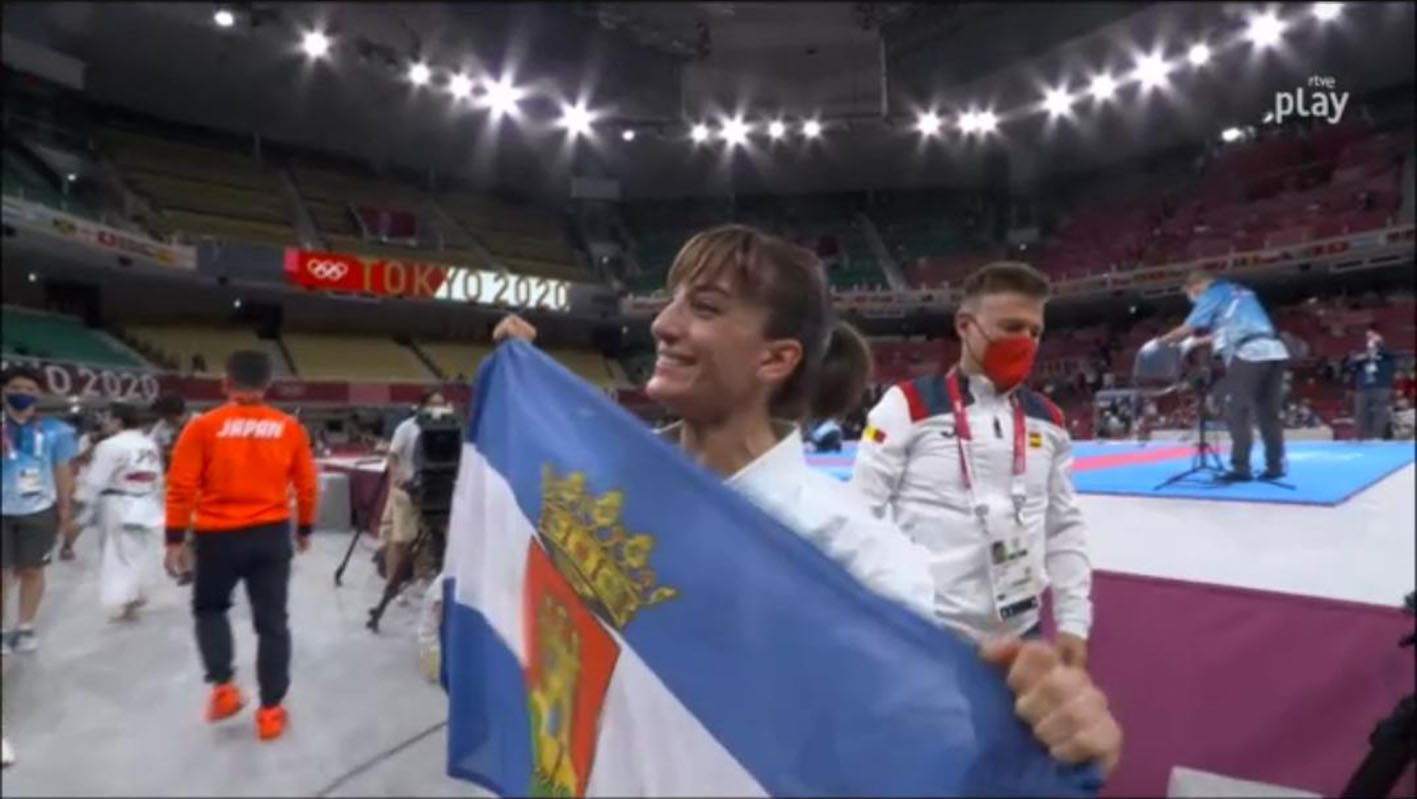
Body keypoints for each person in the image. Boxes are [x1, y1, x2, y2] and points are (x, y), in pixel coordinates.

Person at [494, 226, 1121, 777]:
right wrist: (517, 400)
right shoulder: (596, 491)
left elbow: (916, 745)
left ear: (776, 358)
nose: (662, 324)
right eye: (671, 301)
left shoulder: (848, 552)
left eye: (704, 307)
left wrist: (1042, 746)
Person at [850, 262, 1093, 668]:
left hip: (1022, 632)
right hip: (928, 630)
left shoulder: (1048, 419)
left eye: (1035, 332)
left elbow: (1063, 525)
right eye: (1011, 328)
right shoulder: (908, 405)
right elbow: (860, 514)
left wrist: (1073, 622)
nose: (1026, 342)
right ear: (965, 325)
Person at [163, 350, 317, 741]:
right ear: (268, 385)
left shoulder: (203, 427)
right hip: (270, 535)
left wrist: (174, 539)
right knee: (273, 624)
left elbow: (181, 486)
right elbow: (306, 484)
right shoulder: (288, 428)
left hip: (217, 537)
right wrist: (305, 529)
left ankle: (223, 690)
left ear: (225, 382)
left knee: (210, 609)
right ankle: (269, 712)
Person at [1150, 271, 1289, 481]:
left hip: (1248, 353)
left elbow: (1188, 327)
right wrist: (1196, 343)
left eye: (1191, 293)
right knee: (1267, 413)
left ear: (1197, 285)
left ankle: (1241, 469)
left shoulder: (1213, 293)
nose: (1192, 297)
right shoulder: (1242, 293)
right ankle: (1275, 466)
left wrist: (1160, 343)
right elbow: (1228, 330)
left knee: (1236, 410)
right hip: (1275, 350)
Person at [1, 365, 77, 655]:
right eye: (16, 388)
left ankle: (25, 626)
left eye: (30, 390)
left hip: (38, 510)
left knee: (32, 570)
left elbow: (62, 470)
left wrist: (65, 508)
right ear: (3, 391)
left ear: (39, 395)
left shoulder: (56, 430)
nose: (23, 394)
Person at [75, 402, 165, 621]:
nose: (105, 423)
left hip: (116, 502)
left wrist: (84, 504)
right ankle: (137, 594)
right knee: (140, 551)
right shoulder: (149, 443)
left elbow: (96, 480)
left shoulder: (110, 445)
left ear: (118, 421)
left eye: (108, 419)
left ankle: (126, 600)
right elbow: (157, 476)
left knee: (116, 555)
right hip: (146, 501)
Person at [379, 390, 451, 599]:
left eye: (442, 404)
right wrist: (397, 478)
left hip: (437, 490)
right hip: (407, 491)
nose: (438, 409)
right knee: (401, 540)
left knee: (429, 539)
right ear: (422, 407)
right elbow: (392, 456)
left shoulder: (450, 429)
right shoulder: (407, 427)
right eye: (433, 404)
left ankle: (422, 579)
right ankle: (392, 584)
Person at [1349, 326, 1395, 441]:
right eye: (1368, 336)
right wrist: (1365, 356)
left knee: (1380, 412)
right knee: (1361, 413)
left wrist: (1379, 344)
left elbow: (1391, 354)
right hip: (1363, 388)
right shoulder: (1361, 353)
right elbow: (1351, 364)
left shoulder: (1386, 352)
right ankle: (1362, 437)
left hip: (1381, 387)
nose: (1370, 338)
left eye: (1372, 335)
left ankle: (1377, 437)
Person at [147, 393, 188, 467]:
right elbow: (149, 447)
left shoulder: (199, 422)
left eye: (162, 413)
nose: (161, 416)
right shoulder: (161, 426)